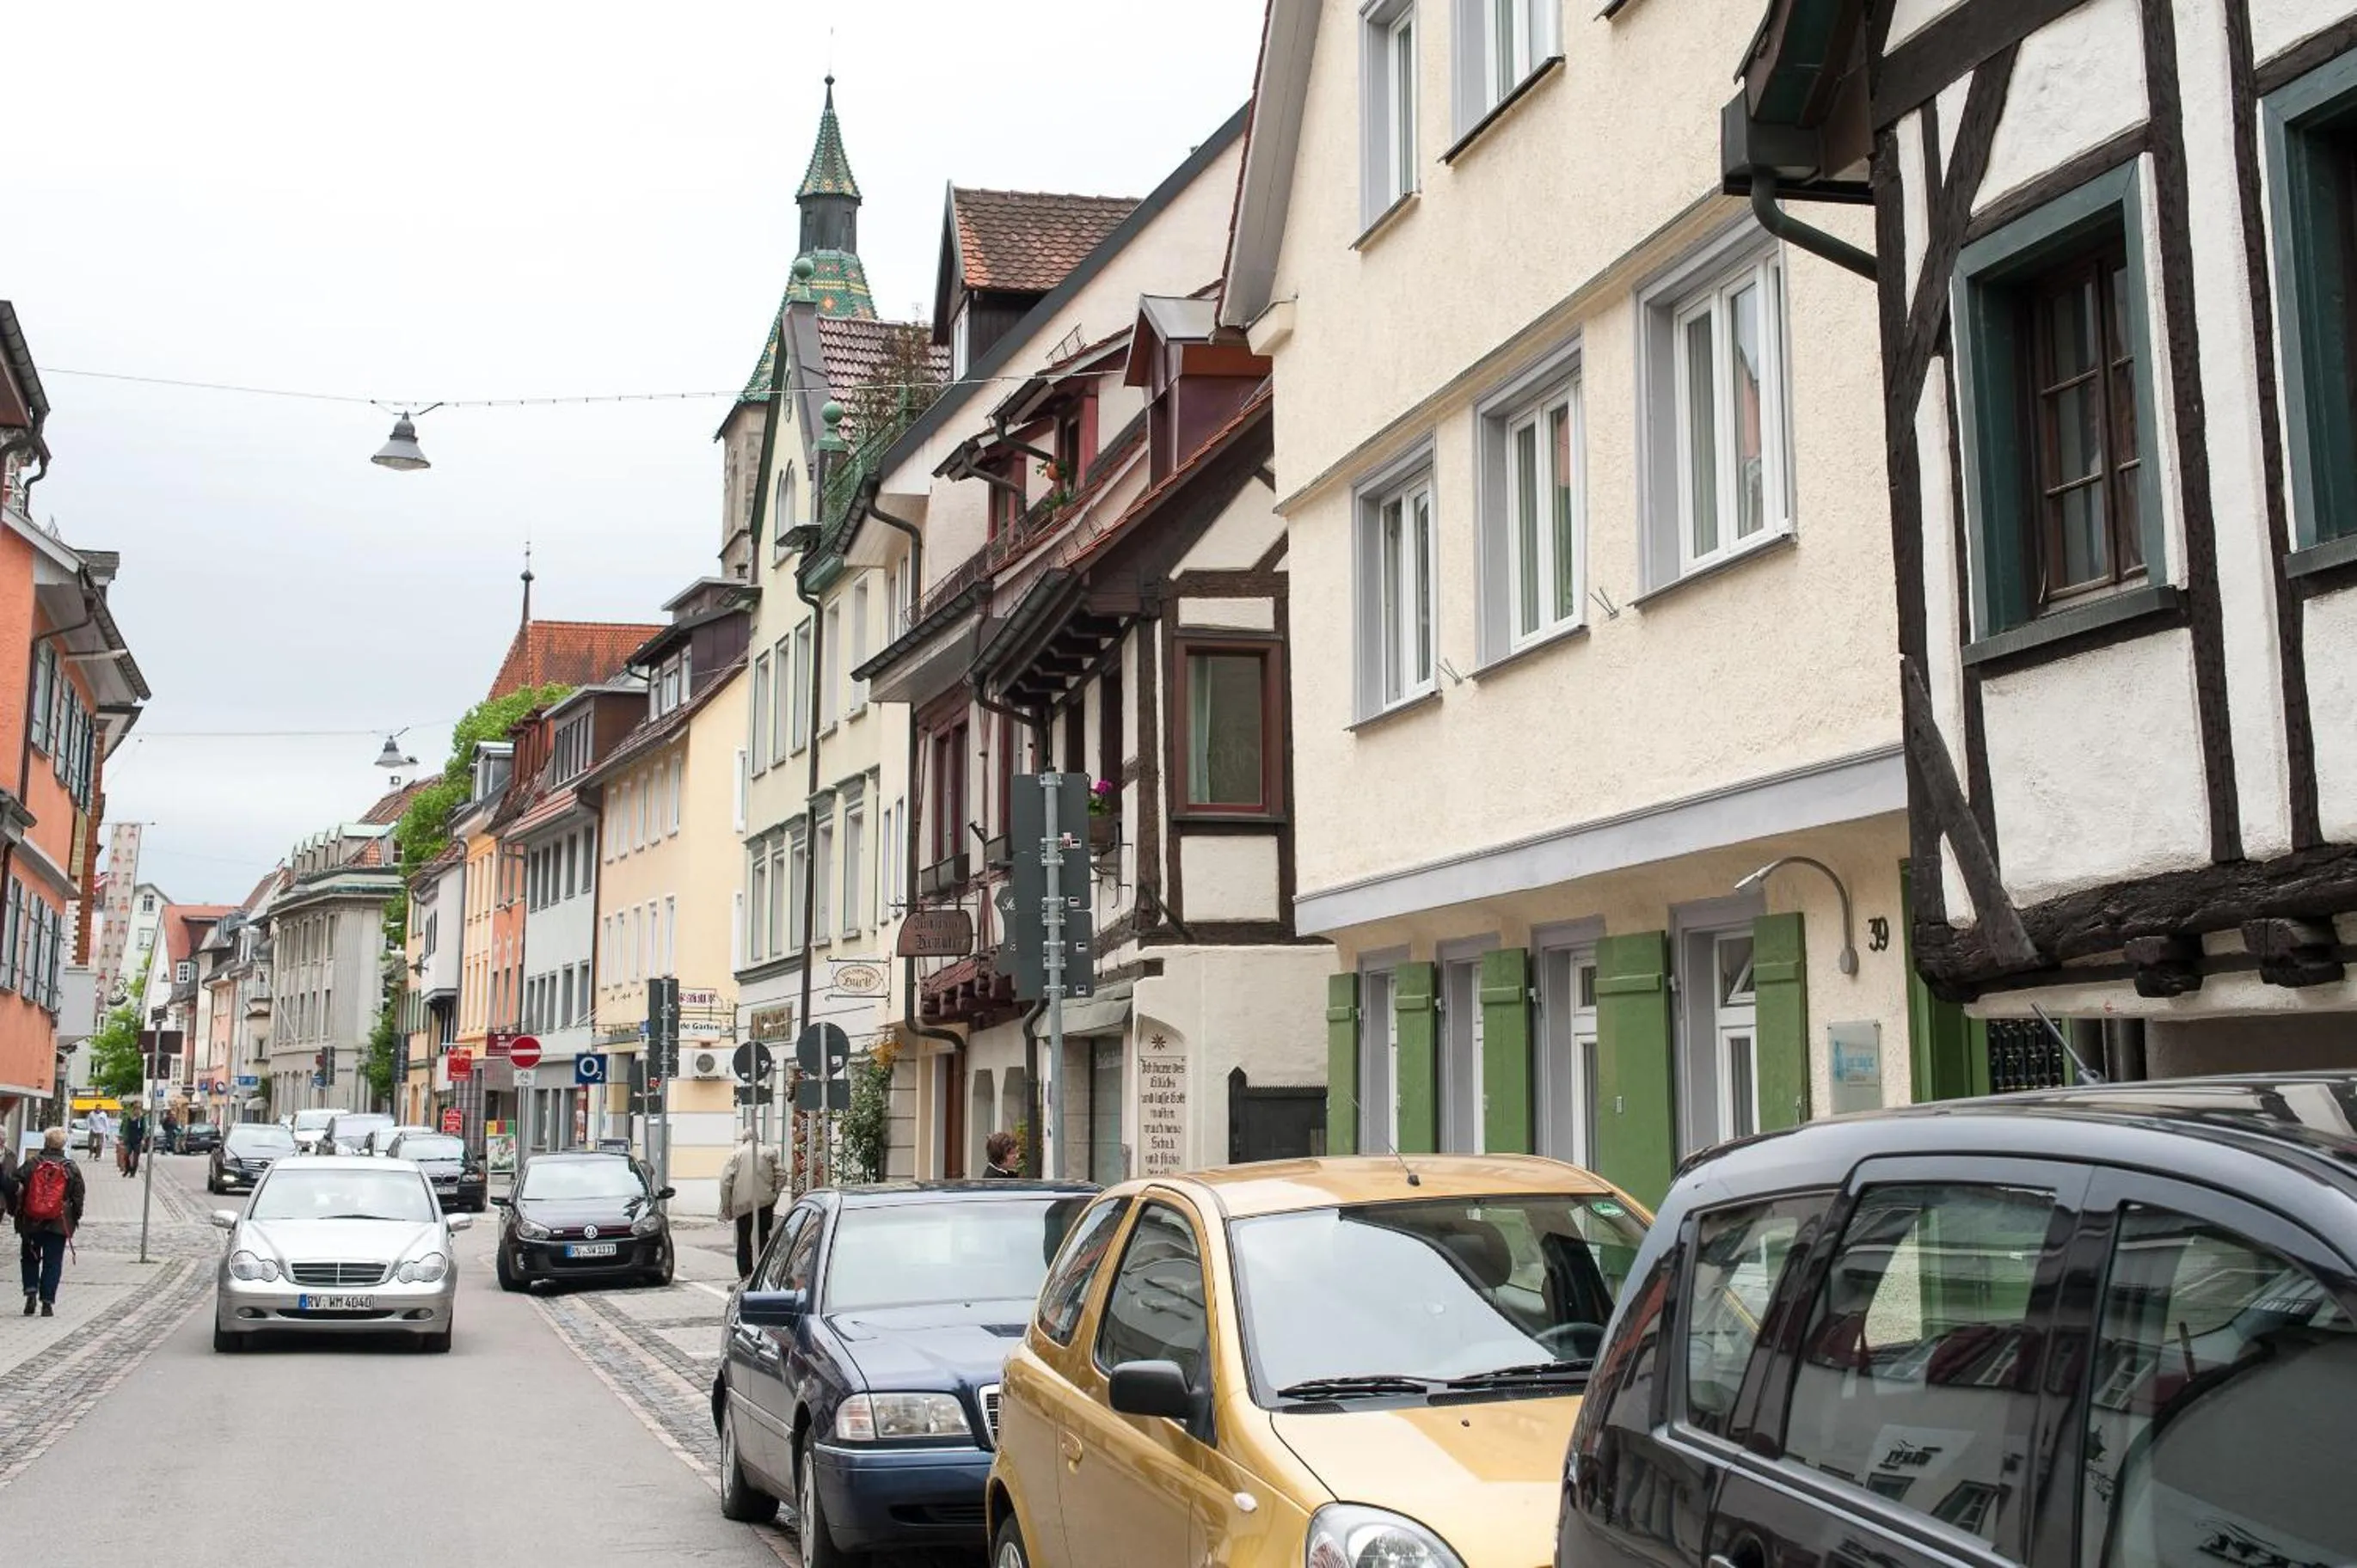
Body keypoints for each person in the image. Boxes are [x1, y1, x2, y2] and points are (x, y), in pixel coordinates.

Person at [16, 1127, 84, 1317]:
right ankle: (47, 1302)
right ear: (63, 1145)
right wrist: (75, 1218)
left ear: (45, 1142)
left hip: (32, 1221)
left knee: (30, 1257)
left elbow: (16, 1186)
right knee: (53, 1262)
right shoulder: (71, 1167)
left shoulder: (31, 1164)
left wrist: (18, 1214)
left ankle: (30, 1292)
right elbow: (78, 1197)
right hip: (59, 1222)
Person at [717, 1129, 783, 1278]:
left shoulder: (736, 1155)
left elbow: (725, 1183)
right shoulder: (769, 1153)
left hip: (742, 1204)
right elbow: (782, 1175)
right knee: (763, 1235)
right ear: (758, 1139)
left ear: (743, 1139)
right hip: (765, 1202)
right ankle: (764, 1271)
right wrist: (774, 1194)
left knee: (744, 1238)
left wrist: (726, 1207)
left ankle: (746, 1273)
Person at [118, 1107, 145, 1178]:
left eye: (139, 1109)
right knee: (126, 1156)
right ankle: (127, 1169)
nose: (137, 1110)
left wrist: (143, 1139)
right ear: (133, 1110)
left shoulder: (142, 1119)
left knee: (136, 1158)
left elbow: (145, 1130)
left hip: (138, 1141)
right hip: (129, 1140)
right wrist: (123, 1138)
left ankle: (133, 1173)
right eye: (136, 1109)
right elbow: (125, 1129)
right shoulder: (129, 1118)